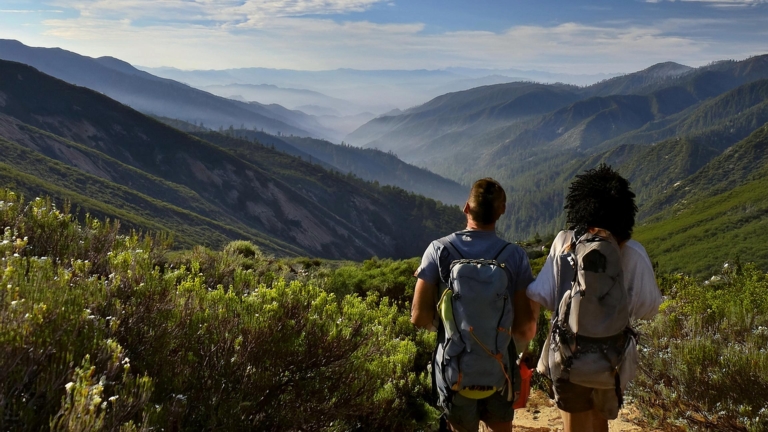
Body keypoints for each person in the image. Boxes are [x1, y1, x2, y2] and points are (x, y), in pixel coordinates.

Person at [527, 164, 662, 432]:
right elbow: (649, 308)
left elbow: (540, 294)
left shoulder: (563, 242)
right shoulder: (634, 253)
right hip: (612, 359)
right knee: (600, 421)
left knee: (573, 424)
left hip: (568, 357)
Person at [411, 178, 538, 432]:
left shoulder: (438, 250)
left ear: (466, 208)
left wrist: (451, 330)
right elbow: (524, 328)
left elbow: (418, 316)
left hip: (454, 371)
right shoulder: (515, 256)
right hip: (500, 371)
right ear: (501, 212)